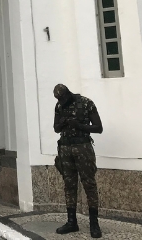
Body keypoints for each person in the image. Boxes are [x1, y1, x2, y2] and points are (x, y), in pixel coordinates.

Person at [53, 84, 103, 238]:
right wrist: (62, 124)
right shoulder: (59, 105)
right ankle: (71, 221)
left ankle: (94, 223)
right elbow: (55, 128)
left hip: (83, 147)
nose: (61, 101)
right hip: (65, 148)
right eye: (58, 99)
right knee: (69, 185)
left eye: (62, 98)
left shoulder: (86, 103)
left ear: (68, 94)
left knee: (89, 184)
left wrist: (80, 126)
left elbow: (99, 127)